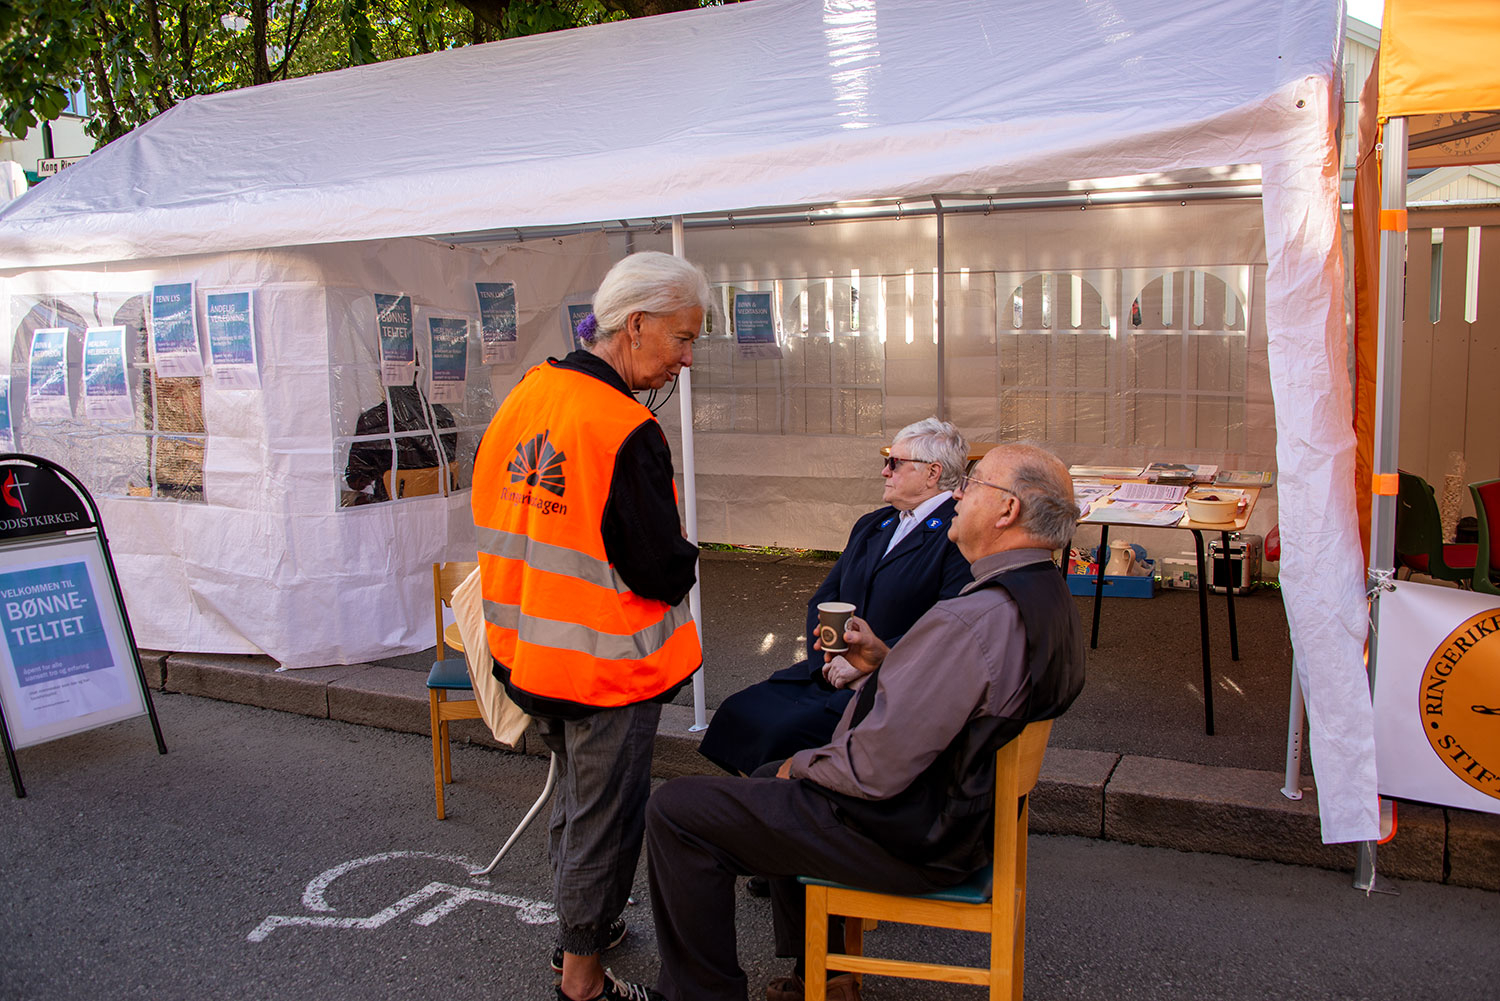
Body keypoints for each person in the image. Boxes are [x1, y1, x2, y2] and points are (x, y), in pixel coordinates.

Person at [645, 443, 1087, 1001]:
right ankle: (823, 979)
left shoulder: (971, 618)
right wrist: (885, 659)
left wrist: (800, 770)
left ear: (1007, 512)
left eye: (972, 486)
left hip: (910, 833)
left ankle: (701, 994)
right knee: (767, 773)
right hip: (960, 819)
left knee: (677, 810)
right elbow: (961, 691)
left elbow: (872, 769)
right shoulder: (1045, 594)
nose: (956, 494)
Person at [471, 251, 710, 1001]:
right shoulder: (622, 427)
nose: (687, 358)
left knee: (575, 800)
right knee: (606, 818)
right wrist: (687, 554)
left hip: (531, 654)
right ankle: (582, 977)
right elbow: (659, 567)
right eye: (682, 338)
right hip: (607, 665)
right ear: (635, 325)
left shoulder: (527, 395)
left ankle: (589, 925)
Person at [698, 418, 972, 777]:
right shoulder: (876, 523)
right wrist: (827, 661)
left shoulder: (956, 531)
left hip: (888, 687)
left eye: (894, 462)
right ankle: (768, 810)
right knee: (737, 712)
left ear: (932, 473)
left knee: (782, 734)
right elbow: (824, 599)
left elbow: (947, 624)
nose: (883, 471)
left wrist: (866, 669)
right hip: (830, 673)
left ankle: (781, 815)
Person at [344, 383, 457, 502]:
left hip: (395, 505)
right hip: (440, 499)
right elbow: (449, 458)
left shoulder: (372, 420)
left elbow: (356, 481)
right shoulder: (442, 415)